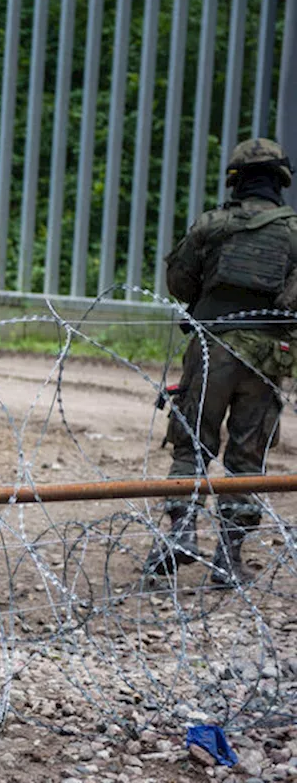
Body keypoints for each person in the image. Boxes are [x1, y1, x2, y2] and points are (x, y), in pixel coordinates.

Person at [143, 137, 297, 587]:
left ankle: (183, 533)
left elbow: (179, 281)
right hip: (270, 358)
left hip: (213, 348)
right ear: (281, 181)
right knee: (247, 459)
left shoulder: (212, 225)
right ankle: (228, 559)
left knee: (192, 443)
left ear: (236, 180)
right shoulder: (293, 233)